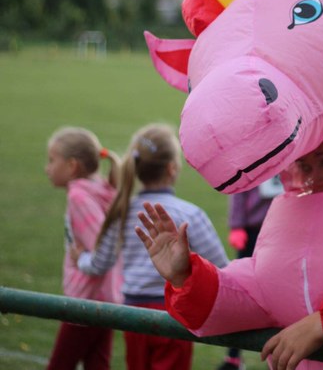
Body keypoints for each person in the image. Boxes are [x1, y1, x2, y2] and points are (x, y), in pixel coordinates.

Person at [71, 123, 229, 370]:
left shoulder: (123, 210)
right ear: (172, 168)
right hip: (174, 314)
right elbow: (222, 270)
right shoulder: (189, 214)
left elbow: (99, 264)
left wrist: (81, 258)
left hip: (132, 316)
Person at [44, 127, 123, 370]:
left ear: (72, 166)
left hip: (86, 302)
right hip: (106, 298)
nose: (47, 168)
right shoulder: (101, 188)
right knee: (98, 364)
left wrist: (80, 260)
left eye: (51, 160)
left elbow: (103, 250)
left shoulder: (79, 197)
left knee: (60, 365)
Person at [217, 175, 283, 370]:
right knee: (242, 294)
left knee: (281, 294)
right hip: (253, 229)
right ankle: (233, 357)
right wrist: (237, 224)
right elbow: (238, 188)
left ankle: (282, 356)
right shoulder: (251, 157)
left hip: (282, 229)